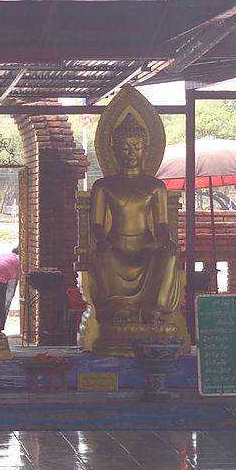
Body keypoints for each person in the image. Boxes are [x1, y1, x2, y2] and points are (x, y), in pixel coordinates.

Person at [87, 112, 181, 323]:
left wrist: (166, 240)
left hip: (146, 245)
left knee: (168, 257)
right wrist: (101, 240)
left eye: (137, 147)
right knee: (102, 258)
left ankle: (153, 308)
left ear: (145, 150)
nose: (131, 153)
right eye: (125, 148)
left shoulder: (156, 186)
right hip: (114, 245)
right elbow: (96, 223)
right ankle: (119, 307)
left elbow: (161, 223)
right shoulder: (104, 186)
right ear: (114, 151)